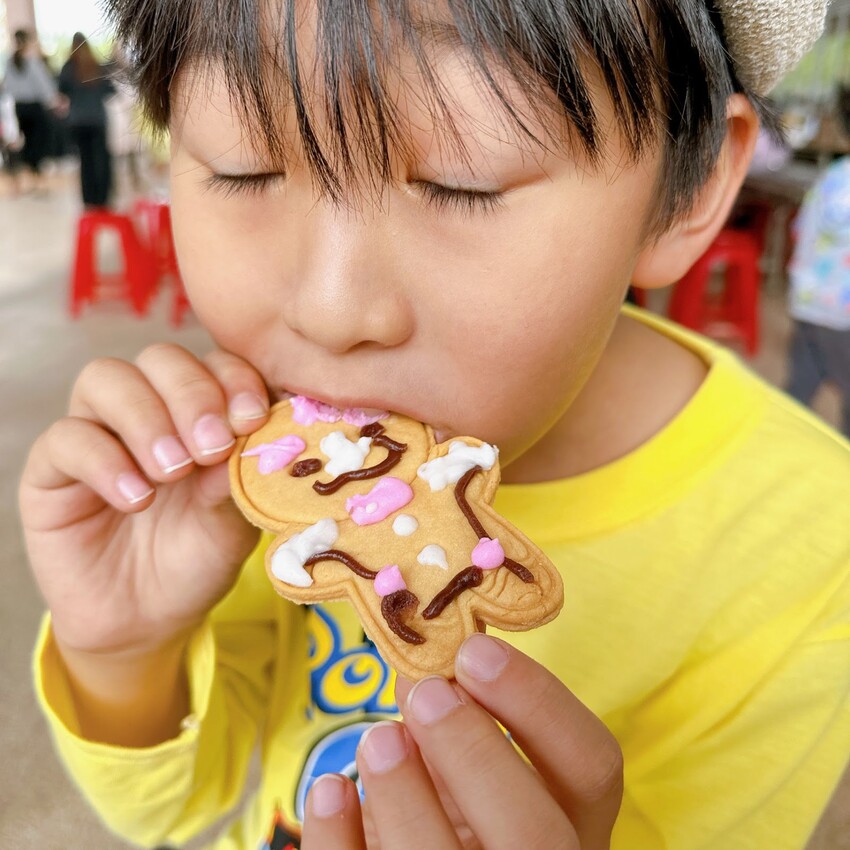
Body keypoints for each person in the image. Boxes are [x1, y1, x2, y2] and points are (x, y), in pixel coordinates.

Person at [18, 1, 850, 849]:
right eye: (244, 169)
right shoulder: (256, 477)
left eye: (463, 183)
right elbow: (175, 811)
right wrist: (124, 654)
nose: (329, 310)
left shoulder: (810, 553)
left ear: (691, 190)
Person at [785, 84, 850, 437]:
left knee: (800, 386)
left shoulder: (833, 177)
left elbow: (800, 231)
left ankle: (779, 442)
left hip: (807, 300)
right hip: (841, 314)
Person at [58, 33, 115, 209]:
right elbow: (110, 91)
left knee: (85, 162)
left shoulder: (68, 68)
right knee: (102, 160)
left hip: (78, 121)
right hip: (97, 120)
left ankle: (89, 199)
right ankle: (103, 198)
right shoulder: (97, 66)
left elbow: (62, 91)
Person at [1, 29, 58, 189]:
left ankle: (31, 178)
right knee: (38, 143)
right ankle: (38, 179)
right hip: (34, 108)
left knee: (26, 142)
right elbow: (44, 86)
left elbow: (8, 87)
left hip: (20, 108)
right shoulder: (32, 61)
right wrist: (52, 100)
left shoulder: (10, 63)